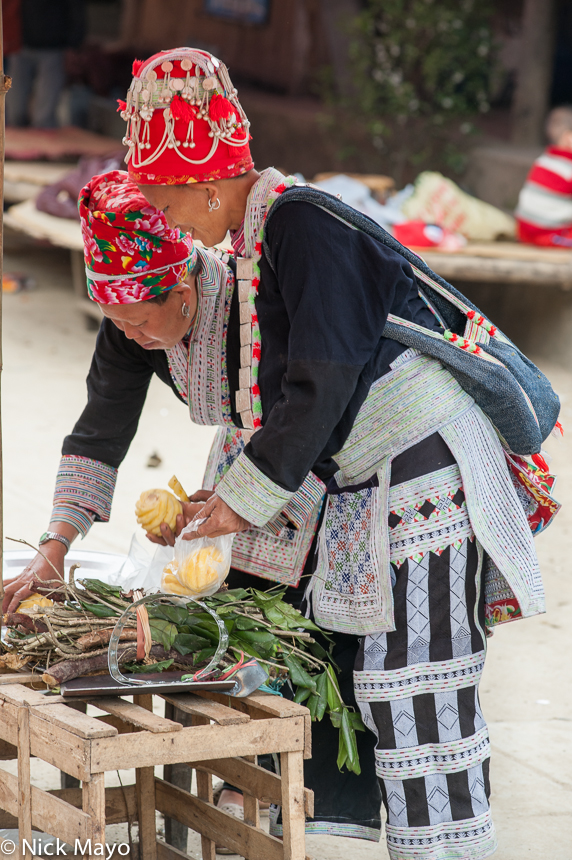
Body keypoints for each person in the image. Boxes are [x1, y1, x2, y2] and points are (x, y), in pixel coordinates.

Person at [4, 49, 556, 860]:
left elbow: (321, 382)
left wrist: (231, 504)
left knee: (417, 691)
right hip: (348, 474)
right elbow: (100, 429)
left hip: (426, 463)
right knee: (346, 668)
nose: (167, 214)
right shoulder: (199, 279)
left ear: (202, 194)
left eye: (165, 198)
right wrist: (55, 547)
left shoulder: (301, 225)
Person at [6, 0, 85, 128]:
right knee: (15, 110)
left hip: (52, 47)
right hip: (20, 46)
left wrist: (73, 44)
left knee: (44, 116)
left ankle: (42, 141)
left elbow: (76, 11)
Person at [516, 105, 572, 247]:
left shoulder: (543, 160)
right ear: (568, 137)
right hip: (549, 232)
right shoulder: (568, 168)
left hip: (525, 230)